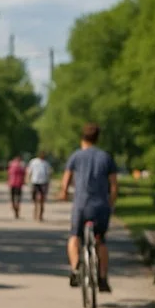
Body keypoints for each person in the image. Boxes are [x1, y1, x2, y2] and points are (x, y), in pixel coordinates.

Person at [59, 123, 119, 292]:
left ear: (82, 138)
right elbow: (114, 186)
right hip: (100, 206)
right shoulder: (106, 157)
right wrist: (111, 204)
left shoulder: (76, 156)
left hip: (81, 205)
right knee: (101, 241)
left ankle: (75, 268)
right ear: (97, 138)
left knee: (74, 236)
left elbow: (65, 181)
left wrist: (64, 194)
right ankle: (102, 278)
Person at [27, 151, 53, 221]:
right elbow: (29, 171)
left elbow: (49, 173)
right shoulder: (33, 161)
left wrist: (49, 182)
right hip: (35, 181)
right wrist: (27, 179)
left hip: (43, 182)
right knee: (34, 199)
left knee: (42, 199)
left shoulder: (46, 163)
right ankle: (35, 211)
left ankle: (40, 215)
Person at [6, 154, 27, 219]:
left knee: (12, 197)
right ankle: (16, 208)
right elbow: (24, 174)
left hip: (12, 183)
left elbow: (9, 173)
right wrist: (24, 181)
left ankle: (14, 206)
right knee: (18, 197)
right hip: (19, 184)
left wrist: (8, 181)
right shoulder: (22, 166)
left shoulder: (11, 164)